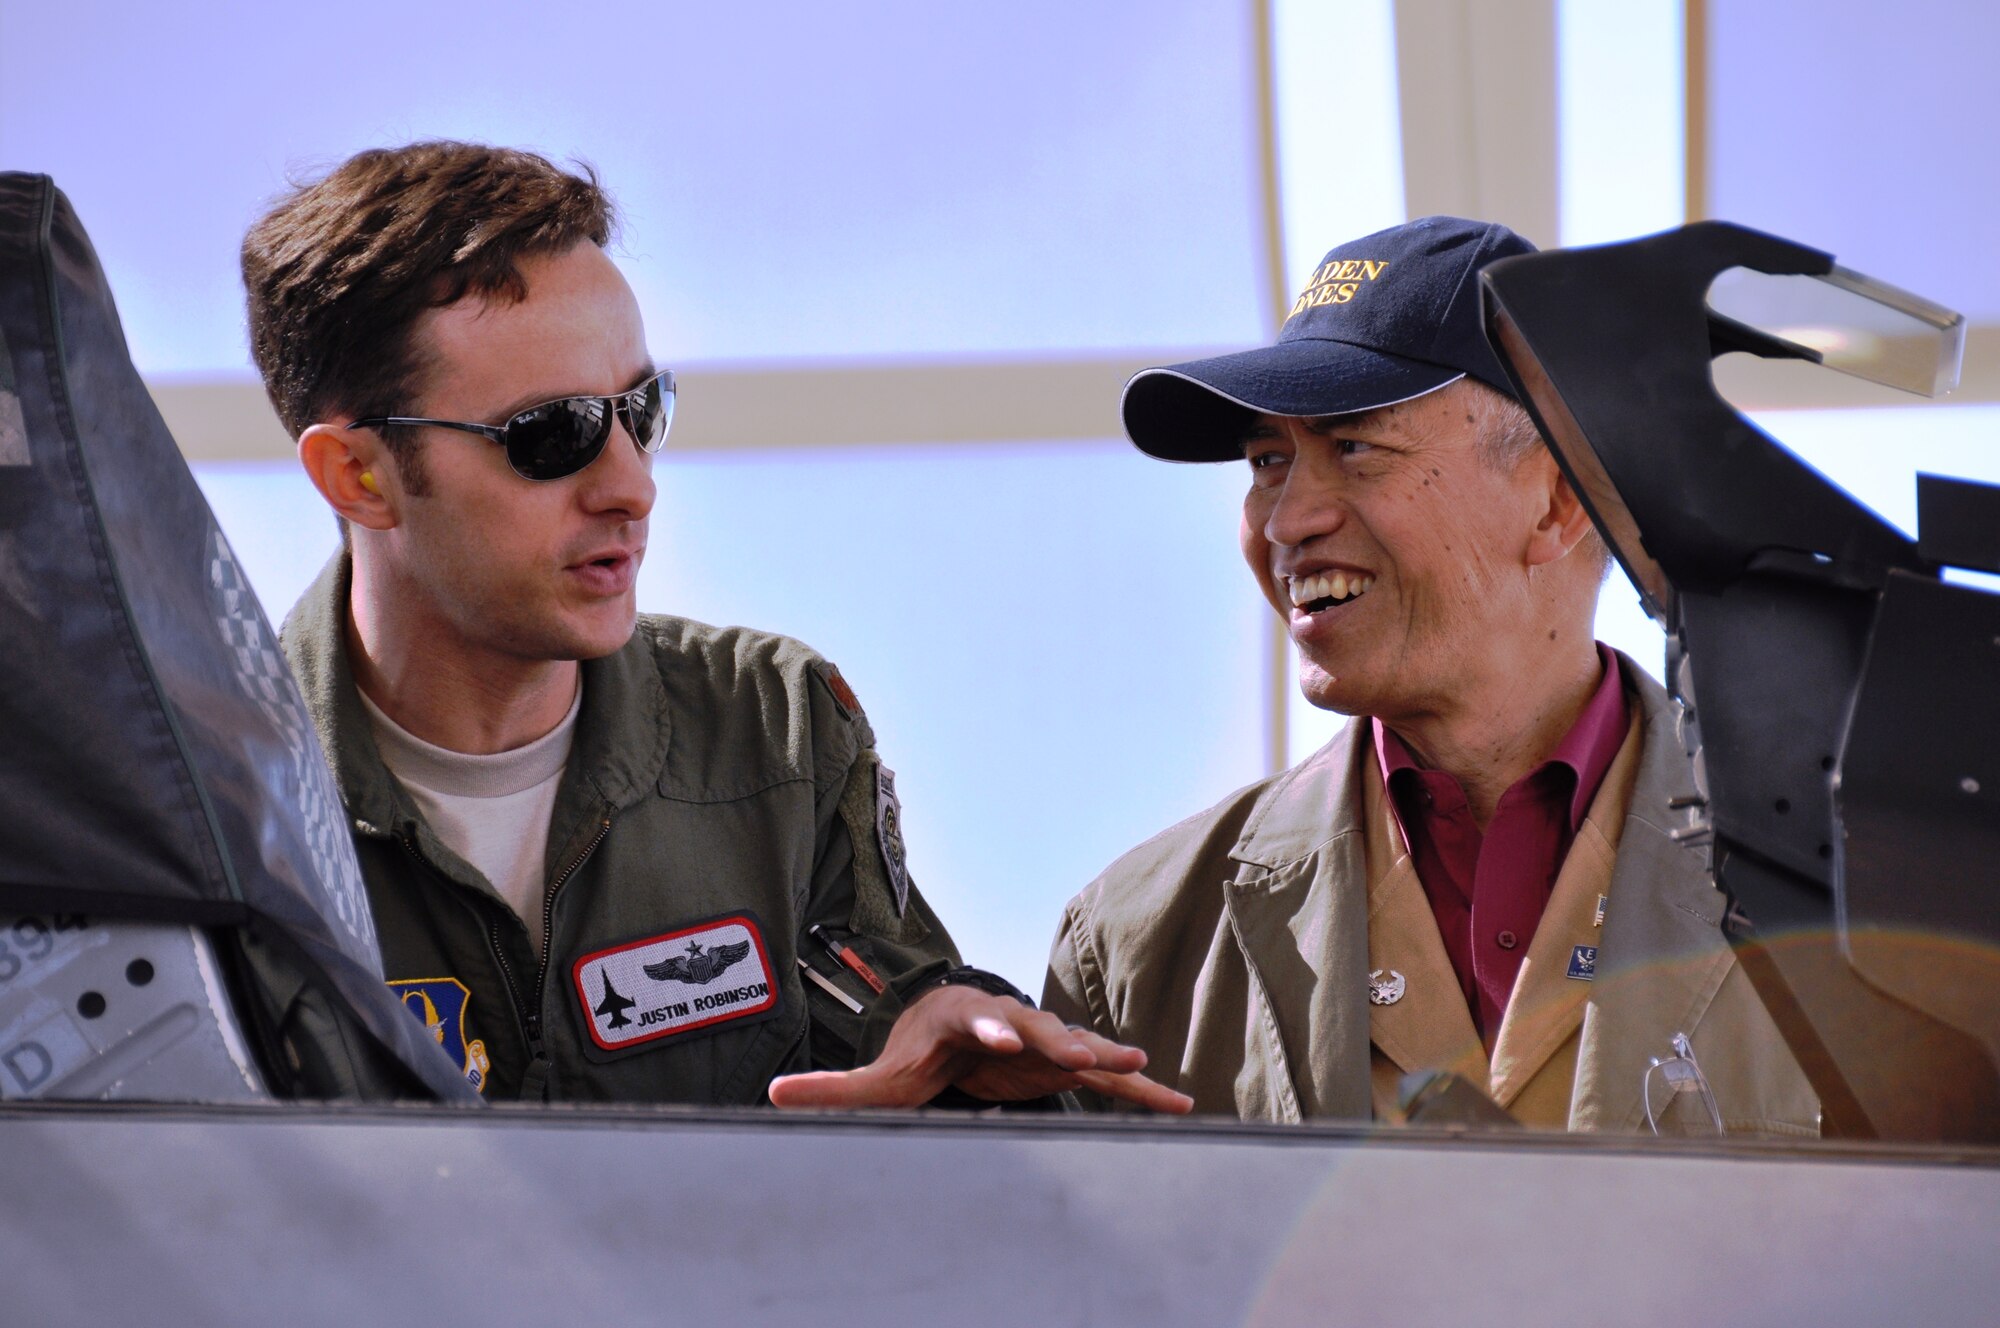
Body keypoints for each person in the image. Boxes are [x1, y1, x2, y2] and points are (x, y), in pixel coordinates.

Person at [242, 140, 1188, 1113]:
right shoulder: (205, 798)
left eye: (641, 410)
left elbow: (886, 1010)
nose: (631, 486)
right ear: (357, 476)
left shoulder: (772, 728)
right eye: (551, 434)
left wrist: (955, 1055)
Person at [1042, 216, 1816, 1134]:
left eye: (1354, 447)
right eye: (1267, 461)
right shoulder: (1137, 947)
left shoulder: (1851, 896)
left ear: (1559, 500)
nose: (1287, 521)